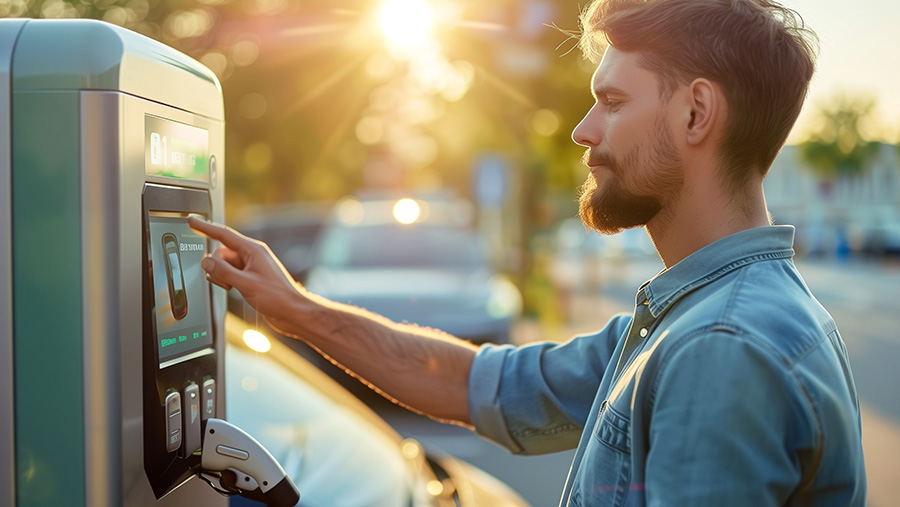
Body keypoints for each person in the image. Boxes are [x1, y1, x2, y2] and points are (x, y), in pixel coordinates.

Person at [189, 0, 867, 504]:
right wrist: (297, 310)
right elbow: (474, 382)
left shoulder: (720, 346)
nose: (582, 129)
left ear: (695, 113)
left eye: (612, 101)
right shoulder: (694, 317)